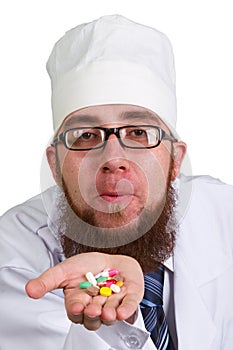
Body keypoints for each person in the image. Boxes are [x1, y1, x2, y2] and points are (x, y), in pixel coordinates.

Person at [1, 14, 233, 350]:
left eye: (139, 133)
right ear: (54, 164)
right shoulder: (13, 256)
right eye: (84, 135)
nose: (113, 159)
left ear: (175, 160)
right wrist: (110, 317)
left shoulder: (226, 216)